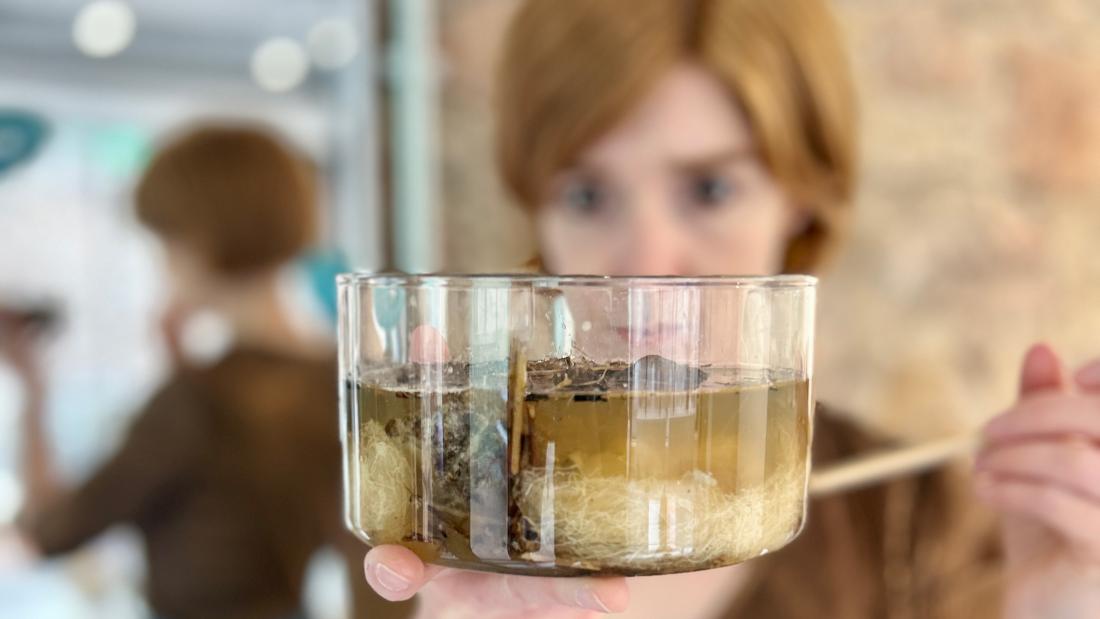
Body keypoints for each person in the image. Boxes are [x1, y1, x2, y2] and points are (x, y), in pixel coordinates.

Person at [359, 0, 1100, 617]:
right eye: (587, 195)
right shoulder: (436, 527)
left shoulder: (918, 530)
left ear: (803, 197)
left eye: (710, 190)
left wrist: (1060, 605)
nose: (646, 267)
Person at [2, 124, 411, 619]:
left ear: (197, 245)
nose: (163, 268)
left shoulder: (197, 401)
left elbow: (50, 530)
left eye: (165, 247)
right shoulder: (341, 381)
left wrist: (32, 388)